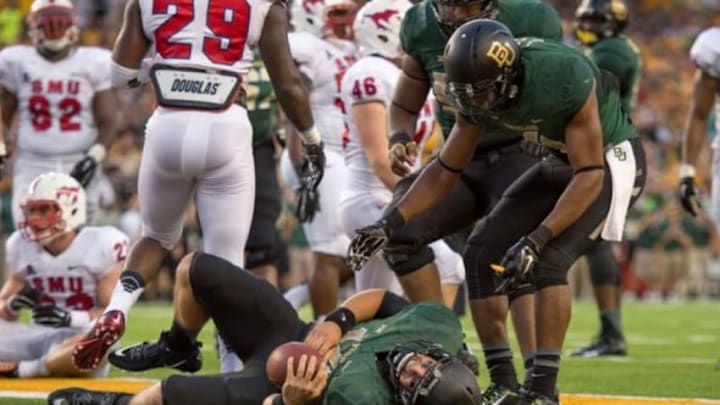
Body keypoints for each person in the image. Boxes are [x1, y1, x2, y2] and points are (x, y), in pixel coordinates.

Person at [348, 19, 646, 404]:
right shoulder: (477, 87)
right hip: (560, 160)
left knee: (548, 260)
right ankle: (505, 382)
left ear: (510, 73)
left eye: (484, 91)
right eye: (468, 91)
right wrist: (390, 223)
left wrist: (537, 238)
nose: (477, 99)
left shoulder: (561, 76)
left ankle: (541, 392)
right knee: (481, 251)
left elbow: (588, 175)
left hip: (608, 161)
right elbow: (444, 168)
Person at [71, 0, 326, 372]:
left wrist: (168, 73)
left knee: (155, 236)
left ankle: (116, 310)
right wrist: (312, 138)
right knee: (226, 265)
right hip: (227, 126)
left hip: (167, 125)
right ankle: (230, 369)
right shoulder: (263, 6)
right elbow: (287, 84)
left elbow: (120, 74)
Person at [374, 0, 563, 400]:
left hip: (520, 152)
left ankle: (535, 380)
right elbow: (405, 103)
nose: (455, 13)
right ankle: (445, 342)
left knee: (515, 253)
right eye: (447, 3)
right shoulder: (420, 23)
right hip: (458, 160)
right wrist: (399, 137)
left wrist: (547, 141)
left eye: (466, 4)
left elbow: (557, 87)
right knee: (399, 228)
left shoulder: (532, 18)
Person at [48, 252, 482, 405]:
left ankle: (113, 404)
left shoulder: (362, 399)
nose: (414, 365)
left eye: (414, 380)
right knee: (198, 269)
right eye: (427, 364)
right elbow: (381, 301)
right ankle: (180, 343)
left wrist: (292, 401)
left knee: (168, 394)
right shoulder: (436, 328)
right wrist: (337, 322)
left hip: (281, 379)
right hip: (296, 330)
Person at [339, 0, 465, 305]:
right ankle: (441, 343)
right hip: (373, 196)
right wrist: (421, 203)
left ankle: (383, 347)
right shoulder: (369, 72)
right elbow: (380, 160)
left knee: (375, 302)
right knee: (448, 266)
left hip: (390, 196)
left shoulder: (404, 75)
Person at [0, 172, 127, 378]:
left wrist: (69, 318)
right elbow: (3, 311)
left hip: (77, 337)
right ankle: (35, 364)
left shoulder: (102, 243)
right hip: (36, 336)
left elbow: (111, 315)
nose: (34, 219)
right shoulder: (19, 244)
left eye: (44, 210)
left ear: (71, 209)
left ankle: (26, 369)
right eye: (31, 211)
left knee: (104, 336)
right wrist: (13, 305)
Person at [0, 0, 117, 224]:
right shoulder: (16, 61)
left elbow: (109, 119)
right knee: (28, 228)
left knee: (79, 231)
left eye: (60, 21)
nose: (54, 27)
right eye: (48, 22)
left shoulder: (93, 61)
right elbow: (3, 115)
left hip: (80, 160)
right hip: (33, 162)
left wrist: (94, 157)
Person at [571, 0, 641, 358]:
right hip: (614, 145)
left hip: (609, 147)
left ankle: (612, 334)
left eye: (595, 21)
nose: (588, 27)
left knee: (598, 240)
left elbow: (589, 95)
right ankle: (610, 333)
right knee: (599, 239)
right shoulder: (610, 47)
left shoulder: (611, 50)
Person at [279, 0, 357, 318]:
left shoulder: (347, 51)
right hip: (320, 154)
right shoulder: (306, 46)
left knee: (361, 247)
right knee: (329, 251)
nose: (344, 21)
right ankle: (323, 332)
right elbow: (295, 97)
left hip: (346, 157)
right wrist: (303, 161)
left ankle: (291, 301)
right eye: (335, 14)